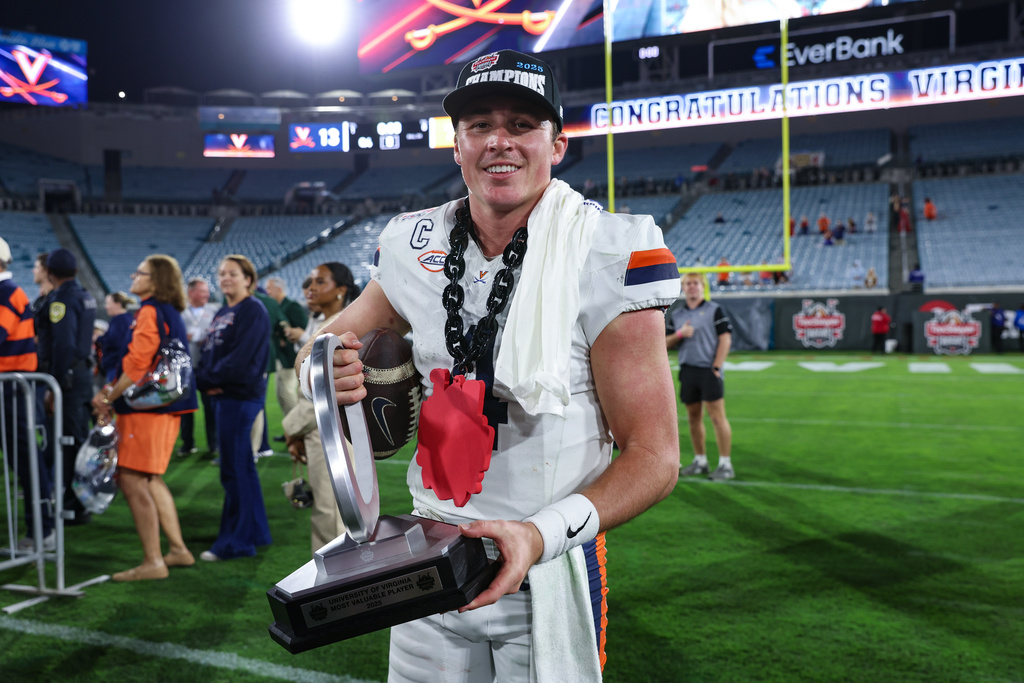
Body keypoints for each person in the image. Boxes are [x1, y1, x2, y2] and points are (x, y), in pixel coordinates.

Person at [295, 49, 680, 681]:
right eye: (479, 125)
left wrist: (539, 534)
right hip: (425, 550)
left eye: (522, 124)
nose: (499, 141)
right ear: (458, 145)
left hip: (544, 563)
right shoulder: (411, 242)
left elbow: (655, 455)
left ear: (557, 144)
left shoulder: (609, 248)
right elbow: (329, 342)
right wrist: (330, 365)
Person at [90, 255, 198, 581]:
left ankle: (153, 561)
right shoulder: (169, 311)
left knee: (133, 478)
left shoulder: (150, 310)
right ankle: (178, 550)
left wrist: (108, 395)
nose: (134, 277)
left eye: (141, 273)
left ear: (157, 280)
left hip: (148, 411)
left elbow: (137, 364)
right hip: (166, 408)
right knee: (151, 478)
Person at [195, 255, 272, 561]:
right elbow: (211, 353)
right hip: (225, 395)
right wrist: (205, 379)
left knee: (233, 469)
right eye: (221, 273)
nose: (225, 278)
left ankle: (236, 543)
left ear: (248, 279)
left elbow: (239, 361)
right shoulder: (224, 311)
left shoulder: (252, 309)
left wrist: (207, 380)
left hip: (239, 396)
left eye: (233, 273)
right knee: (243, 467)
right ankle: (257, 532)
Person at [282, 262, 359, 555]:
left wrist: (291, 428)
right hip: (316, 428)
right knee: (328, 512)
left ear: (341, 289)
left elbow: (327, 390)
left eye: (321, 281)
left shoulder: (344, 323)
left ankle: (339, 586)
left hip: (334, 431)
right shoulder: (320, 321)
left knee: (332, 514)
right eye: (309, 281)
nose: (310, 287)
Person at [0, 237, 55, 550]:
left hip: (11, 390)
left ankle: (42, 530)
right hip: (10, 388)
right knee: (23, 461)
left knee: (26, 462)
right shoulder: (9, 291)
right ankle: (41, 530)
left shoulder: (6, 293)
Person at [36, 248, 97, 525]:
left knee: (71, 443)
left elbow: (64, 345)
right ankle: (78, 501)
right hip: (83, 375)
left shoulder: (61, 299)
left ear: (50, 273)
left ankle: (75, 506)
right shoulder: (84, 295)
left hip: (69, 379)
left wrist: (54, 384)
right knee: (77, 439)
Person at [667, 272, 734, 481]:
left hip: (708, 370)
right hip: (688, 370)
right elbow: (663, 342)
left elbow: (725, 339)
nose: (692, 287)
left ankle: (725, 464)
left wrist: (716, 366)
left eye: (695, 283)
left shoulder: (714, 309)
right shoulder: (677, 314)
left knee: (717, 417)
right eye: (687, 283)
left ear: (703, 286)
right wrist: (680, 334)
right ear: (683, 287)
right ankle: (700, 461)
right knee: (693, 419)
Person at [179, 278, 219, 456]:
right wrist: (183, 337)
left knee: (210, 407)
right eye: (202, 292)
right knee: (186, 407)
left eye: (207, 292)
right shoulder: (180, 312)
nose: (206, 295)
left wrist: (207, 337)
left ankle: (214, 444)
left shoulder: (214, 311)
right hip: (185, 366)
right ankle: (187, 444)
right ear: (191, 293)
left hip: (206, 366)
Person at [264, 277, 308, 436]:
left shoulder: (292, 306)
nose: (267, 292)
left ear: (279, 289)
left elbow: (304, 329)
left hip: (291, 357)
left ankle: (297, 429)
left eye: (269, 288)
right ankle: (291, 429)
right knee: (282, 395)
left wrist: (288, 340)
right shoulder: (277, 306)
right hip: (281, 358)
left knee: (287, 394)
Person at [96, 291, 135, 384]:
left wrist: (100, 339)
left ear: (117, 304)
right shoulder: (127, 318)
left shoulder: (120, 321)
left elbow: (118, 343)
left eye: (108, 303)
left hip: (116, 368)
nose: (106, 307)